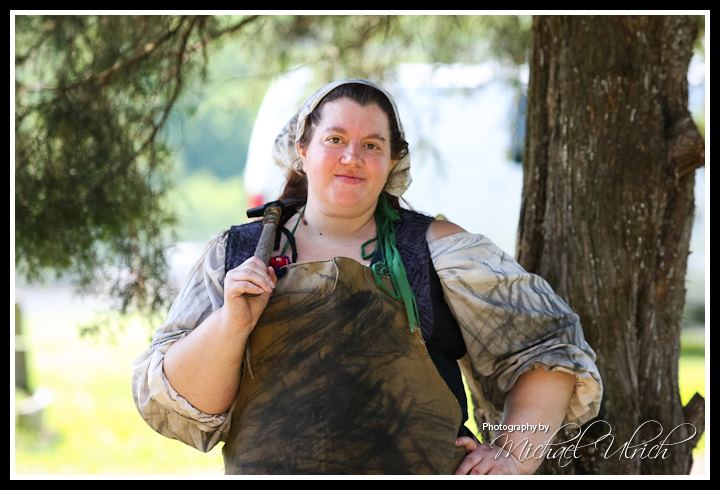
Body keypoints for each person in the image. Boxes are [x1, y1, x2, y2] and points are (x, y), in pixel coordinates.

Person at [132, 78, 603, 475]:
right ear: (302, 150)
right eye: (334, 140)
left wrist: (511, 457)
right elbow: (183, 403)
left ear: (393, 160)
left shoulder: (437, 251)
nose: (351, 157)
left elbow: (549, 349)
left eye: (371, 145)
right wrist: (232, 324)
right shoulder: (238, 254)